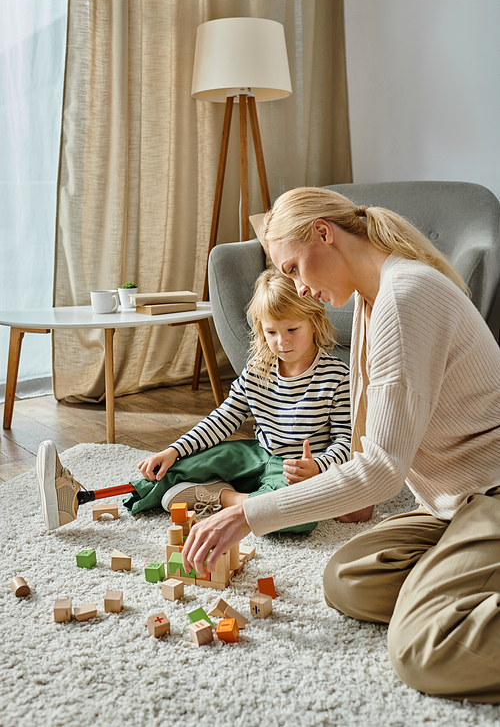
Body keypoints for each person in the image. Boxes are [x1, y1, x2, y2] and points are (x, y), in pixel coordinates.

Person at [181, 186, 500, 703]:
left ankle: (460, 578)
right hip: (451, 506)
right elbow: (374, 451)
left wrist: (248, 514)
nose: (298, 288)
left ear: (323, 235)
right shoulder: (374, 303)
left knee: (424, 650)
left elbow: (380, 471)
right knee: (348, 579)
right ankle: (463, 572)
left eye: (291, 269)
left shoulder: (407, 295)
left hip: (491, 493)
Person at [37, 269, 370, 532]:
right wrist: (173, 450)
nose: (281, 342)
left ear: (314, 322)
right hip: (256, 454)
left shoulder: (336, 376)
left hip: (295, 470)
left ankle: (222, 497)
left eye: (292, 330)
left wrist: (318, 467)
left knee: (298, 514)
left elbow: (345, 440)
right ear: (260, 330)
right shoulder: (259, 369)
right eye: (271, 332)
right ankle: (78, 497)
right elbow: (222, 420)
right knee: (177, 467)